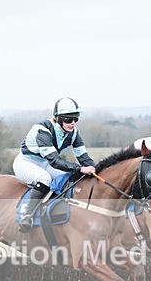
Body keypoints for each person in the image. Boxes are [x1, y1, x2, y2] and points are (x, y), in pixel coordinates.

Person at [12, 97, 97, 232]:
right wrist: (80, 169)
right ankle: (27, 216)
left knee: (67, 178)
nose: (73, 123)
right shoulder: (42, 130)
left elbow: (83, 157)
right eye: (68, 119)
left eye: (76, 118)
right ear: (57, 118)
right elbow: (55, 161)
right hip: (26, 163)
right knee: (44, 179)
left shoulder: (73, 133)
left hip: (44, 163)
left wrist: (98, 170)